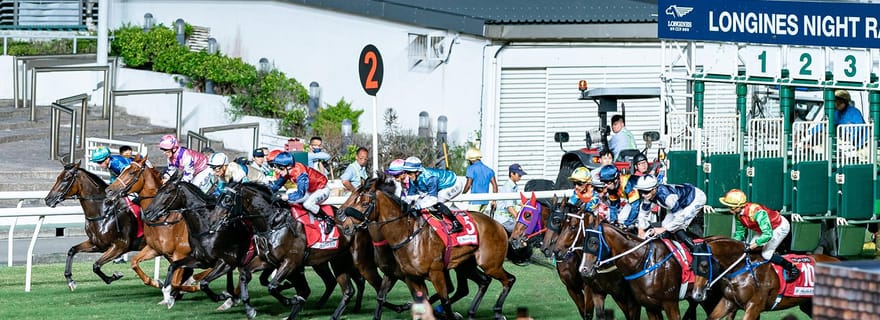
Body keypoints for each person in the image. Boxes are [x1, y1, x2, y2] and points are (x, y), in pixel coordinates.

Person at [719, 189, 799, 282]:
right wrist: (733, 245)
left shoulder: (756, 212)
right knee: (750, 252)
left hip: (778, 227)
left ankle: (792, 268)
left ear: (739, 207)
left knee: (766, 254)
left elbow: (768, 234)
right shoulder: (738, 215)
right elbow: (740, 233)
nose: (729, 210)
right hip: (763, 229)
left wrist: (755, 244)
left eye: (731, 208)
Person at [634, 175, 707, 255]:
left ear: (654, 189)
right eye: (640, 191)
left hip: (695, 199)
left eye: (646, 192)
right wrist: (640, 229)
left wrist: (663, 229)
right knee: (666, 225)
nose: (643, 195)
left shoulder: (667, 197)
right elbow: (643, 213)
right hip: (679, 202)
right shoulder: (648, 195)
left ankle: (696, 251)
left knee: (677, 226)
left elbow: (680, 219)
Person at [271, 151, 333, 234]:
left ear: (288, 167)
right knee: (289, 197)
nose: (277, 170)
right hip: (310, 190)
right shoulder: (287, 170)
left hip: (322, 189)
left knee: (307, 204)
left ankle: (328, 219)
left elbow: (301, 194)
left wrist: (285, 197)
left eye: (279, 167)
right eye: (275, 166)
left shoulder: (301, 174)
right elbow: (277, 185)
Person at [402, 156, 466, 233]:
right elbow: (410, 196)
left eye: (409, 172)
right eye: (406, 172)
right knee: (422, 202)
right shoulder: (412, 178)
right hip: (441, 186)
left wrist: (418, 206)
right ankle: (439, 218)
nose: (407, 175)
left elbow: (433, 199)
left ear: (417, 172)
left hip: (453, 184)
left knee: (436, 203)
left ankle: (456, 223)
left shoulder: (430, 178)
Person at [201, 152, 268, 196]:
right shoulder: (222, 172)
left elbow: (243, 190)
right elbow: (220, 190)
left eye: (216, 168)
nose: (215, 172)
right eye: (213, 168)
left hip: (261, 181)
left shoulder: (236, 172)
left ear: (224, 166)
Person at [462, 148, 498, 214]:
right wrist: (494, 200)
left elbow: (468, 185)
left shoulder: (471, 168)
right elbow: (495, 186)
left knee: (472, 221)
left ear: (471, 159)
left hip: (474, 201)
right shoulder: (489, 170)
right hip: (485, 202)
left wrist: (462, 195)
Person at [498, 163, 527, 229]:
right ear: (512, 174)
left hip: (509, 219)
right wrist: (520, 220)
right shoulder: (508, 187)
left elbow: (520, 202)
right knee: (522, 230)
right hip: (504, 220)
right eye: (519, 175)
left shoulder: (514, 186)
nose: (520, 177)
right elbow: (510, 208)